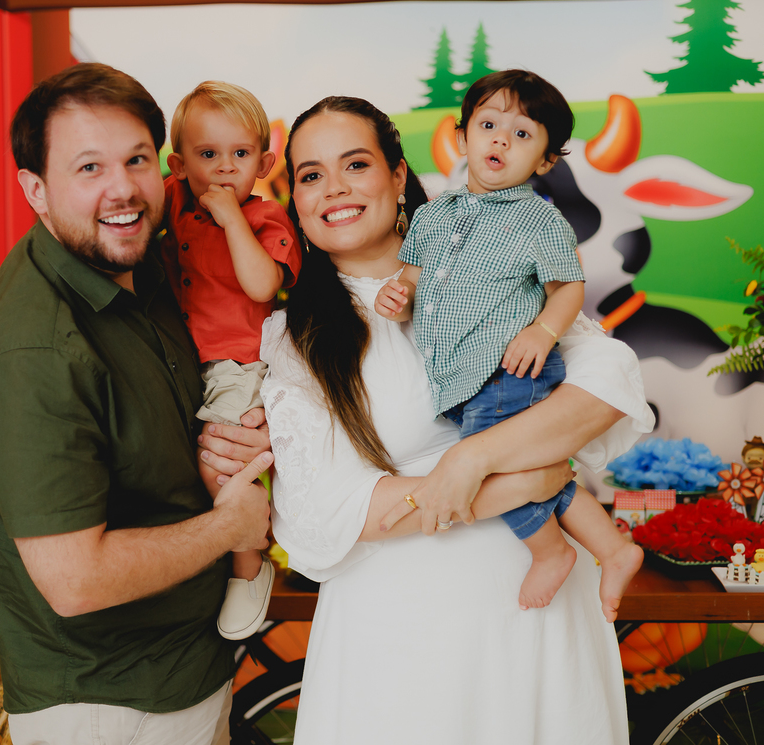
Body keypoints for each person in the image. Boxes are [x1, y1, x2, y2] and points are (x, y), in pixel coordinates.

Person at [262, 95, 654, 744]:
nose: (334, 188)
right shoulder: (293, 337)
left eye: (355, 164)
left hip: (539, 627)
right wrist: (518, 482)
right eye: (310, 174)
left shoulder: (491, 275)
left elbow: (605, 383)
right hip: (400, 643)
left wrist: (471, 459)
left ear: (397, 175)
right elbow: (325, 510)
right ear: (296, 201)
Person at [0, 63, 272, 745]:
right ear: (35, 189)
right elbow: (76, 579)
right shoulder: (30, 350)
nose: (122, 188)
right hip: (110, 706)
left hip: (190, 673)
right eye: (89, 167)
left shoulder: (149, 263)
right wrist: (230, 527)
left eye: (136, 160)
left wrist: (250, 428)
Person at [374, 70, 642, 612]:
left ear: (545, 161)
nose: (500, 140)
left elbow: (568, 287)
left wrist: (543, 331)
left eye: (522, 135)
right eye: (489, 126)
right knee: (524, 470)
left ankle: (551, 552)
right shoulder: (432, 215)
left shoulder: (538, 220)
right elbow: (414, 277)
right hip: (460, 375)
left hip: (508, 370)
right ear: (462, 136)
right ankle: (614, 549)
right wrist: (398, 295)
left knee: (496, 469)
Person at [163, 80, 302, 640]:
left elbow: (263, 284)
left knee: (219, 462)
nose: (224, 168)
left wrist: (231, 219)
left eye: (240, 154)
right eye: (207, 154)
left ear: (264, 164)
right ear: (179, 166)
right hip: (180, 358)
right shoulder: (175, 201)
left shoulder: (265, 219)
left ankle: (250, 563)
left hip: (238, 361)